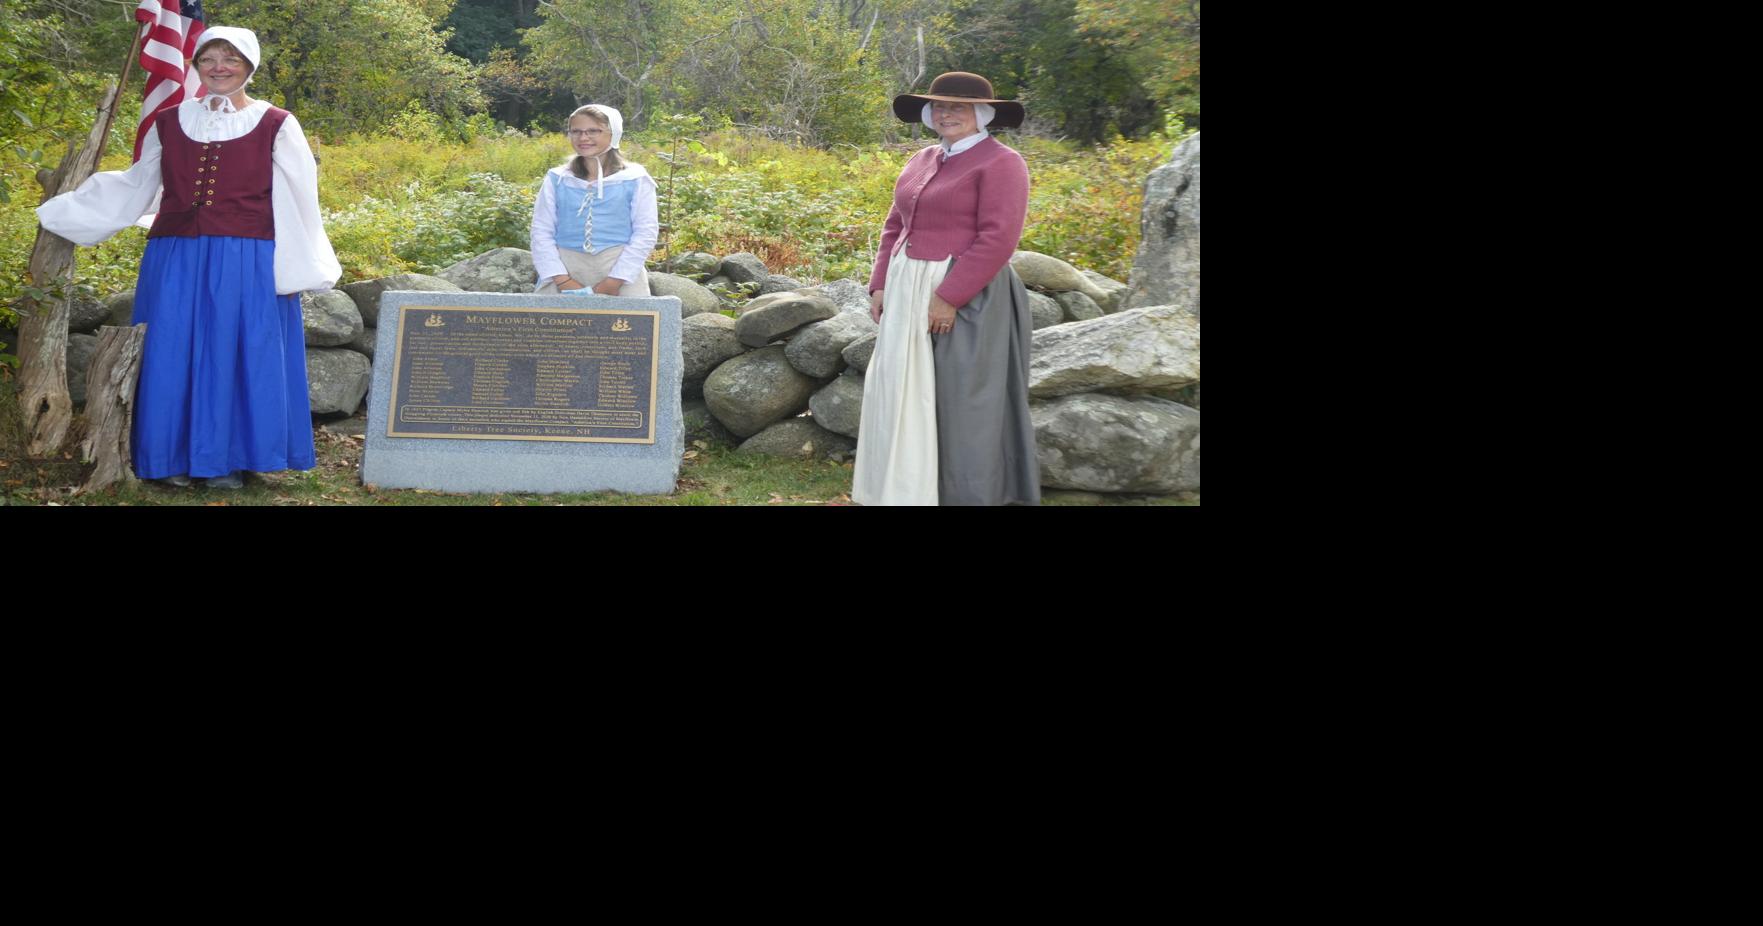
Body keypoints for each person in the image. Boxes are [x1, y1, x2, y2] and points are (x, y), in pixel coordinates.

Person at [35, 26, 339, 489]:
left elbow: (300, 199)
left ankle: (228, 459)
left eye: (230, 58)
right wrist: (71, 212)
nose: (219, 67)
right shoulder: (170, 120)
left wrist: (299, 263)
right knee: (169, 349)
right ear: (196, 65)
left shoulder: (277, 122)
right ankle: (167, 456)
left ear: (249, 66)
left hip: (246, 256)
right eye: (209, 58)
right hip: (174, 254)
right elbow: (140, 183)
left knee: (234, 352)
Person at [852, 71, 1040, 506]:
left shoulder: (1002, 162)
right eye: (940, 105)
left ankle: (964, 495)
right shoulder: (922, 158)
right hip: (907, 284)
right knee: (901, 386)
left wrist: (950, 296)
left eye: (958, 106)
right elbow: (896, 222)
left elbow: (998, 238)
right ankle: (902, 490)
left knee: (961, 397)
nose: (946, 113)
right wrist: (880, 282)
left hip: (967, 293)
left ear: (983, 114)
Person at [530, 104, 658, 296]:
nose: (583, 138)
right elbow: (541, 231)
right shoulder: (557, 179)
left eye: (593, 131)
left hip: (619, 270)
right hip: (564, 268)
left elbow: (645, 232)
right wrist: (563, 280)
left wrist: (614, 282)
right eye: (576, 131)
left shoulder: (635, 179)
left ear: (613, 134)